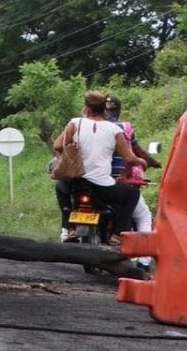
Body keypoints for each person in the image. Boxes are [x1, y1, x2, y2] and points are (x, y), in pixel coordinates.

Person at [52, 91, 146, 244]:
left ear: (87, 109)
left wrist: (68, 159)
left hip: (76, 182)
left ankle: (69, 228)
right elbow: (129, 158)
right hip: (102, 186)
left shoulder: (75, 123)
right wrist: (139, 162)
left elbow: (57, 145)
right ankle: (117, 234)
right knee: (132, 195)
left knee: (60, 187)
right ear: (104, 110)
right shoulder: (115, 130)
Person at [105, 95, 161, 267]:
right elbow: (135, 154)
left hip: (90, 181)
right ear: (119, 110)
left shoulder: (86, 126)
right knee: (144, 215)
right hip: (116, 181)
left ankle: (66, 231)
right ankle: (144, 261)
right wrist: (153, 162)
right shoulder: (123, 128)